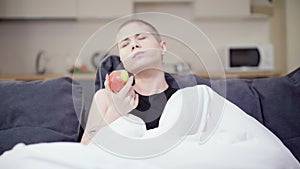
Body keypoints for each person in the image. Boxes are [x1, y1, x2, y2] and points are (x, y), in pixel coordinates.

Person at [81, 19, 179, 144]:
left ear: (162, 47)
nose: (134, 45)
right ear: (122, 59)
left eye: (142, 37)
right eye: (125, 45)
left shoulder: (182, 97)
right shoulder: (106, 97)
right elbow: (84, 149)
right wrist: (115, 111)